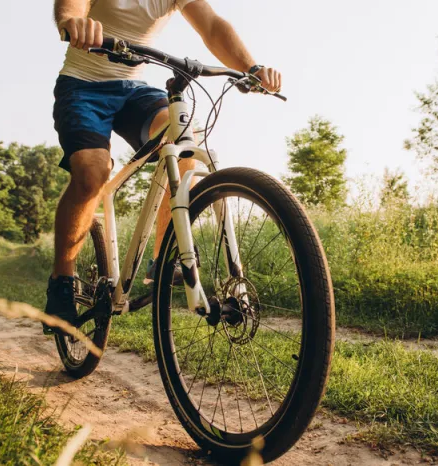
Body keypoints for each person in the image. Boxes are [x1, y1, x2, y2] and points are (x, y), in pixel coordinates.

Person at [45, 0, 282, 331]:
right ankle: (62, 281)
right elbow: (72, 5)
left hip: (134, 89)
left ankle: (163, 258)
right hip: (82, 87)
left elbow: (211, 25)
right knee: (91, 174)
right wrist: (73, 22)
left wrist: (252, 68)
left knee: (185, 141)